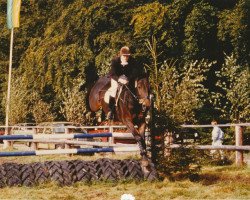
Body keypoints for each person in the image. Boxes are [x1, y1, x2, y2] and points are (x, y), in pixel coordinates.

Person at [105, 46, 144, 119]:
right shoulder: (115, 61)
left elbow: (135, 72)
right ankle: (111, 111)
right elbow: (112, 73)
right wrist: (119, 79)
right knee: (114, 89)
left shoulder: (132, 61)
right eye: (124, 56)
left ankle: (139, 108)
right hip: (116, 78)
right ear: (121, 55)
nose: (126, 58)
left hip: (128, 78)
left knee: (136, 88)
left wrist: (128, 79)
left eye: (127, 56)